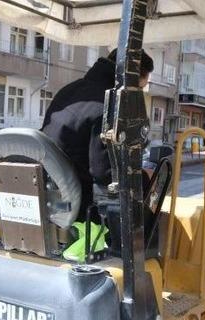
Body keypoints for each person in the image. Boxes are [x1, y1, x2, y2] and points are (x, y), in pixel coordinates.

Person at [41, 48, 154, 219]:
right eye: (139, 88)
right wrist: (144, 178)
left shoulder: (70, 90)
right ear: (130, 80)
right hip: (81, 209)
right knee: (149, 218)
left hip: (51, 196)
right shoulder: (110, 106)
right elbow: (106, 175)